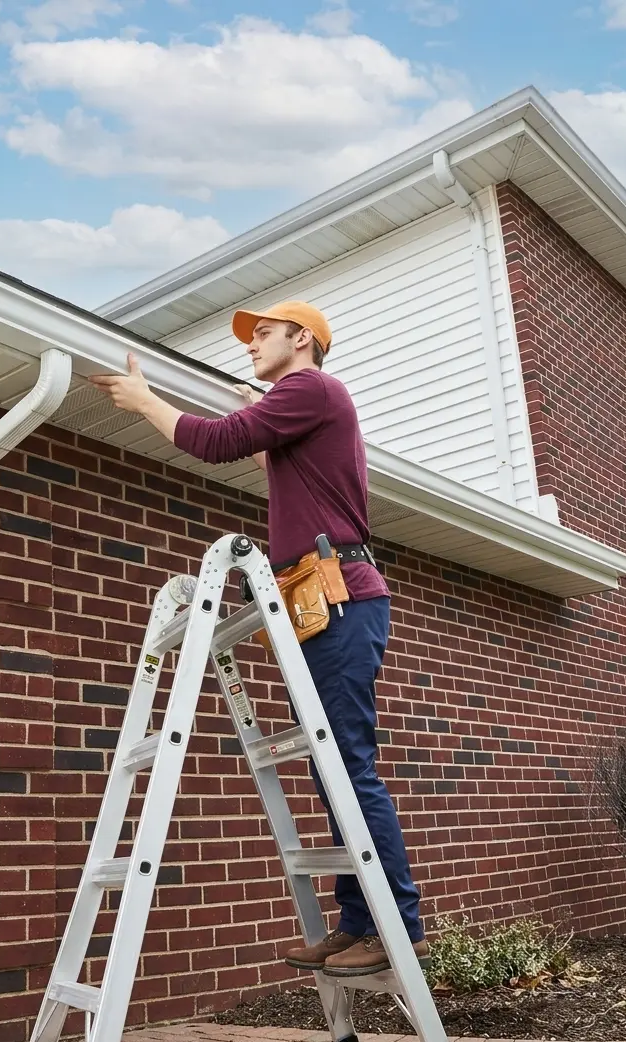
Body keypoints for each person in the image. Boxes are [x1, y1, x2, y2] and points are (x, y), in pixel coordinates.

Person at [89, 301, 428, 977]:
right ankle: (360, 918)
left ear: (302, 338)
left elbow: (216, 444)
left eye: (264, 334)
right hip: (318, 599)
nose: (251, 345)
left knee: (349, 764)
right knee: (328, 765)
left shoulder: (314, 388)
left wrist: (144, 400)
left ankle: (397, 926)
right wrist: (262, 404)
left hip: (338, 598)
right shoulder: (302, 402)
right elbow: (264, 430)